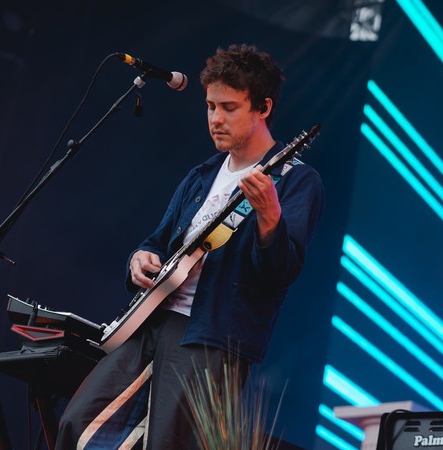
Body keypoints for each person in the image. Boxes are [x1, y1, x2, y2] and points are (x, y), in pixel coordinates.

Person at [56, 43, 324, 449]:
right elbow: (157, 242)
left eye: (229, 108)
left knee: (166, 443)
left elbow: (281, 273)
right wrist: (138, 259)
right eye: (210, 107)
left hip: (210, 338)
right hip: (152, 321)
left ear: (263, 107)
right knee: (78, 423)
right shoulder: (201, 175)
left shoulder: (295, 180)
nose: (215, 119)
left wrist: (270, 216)